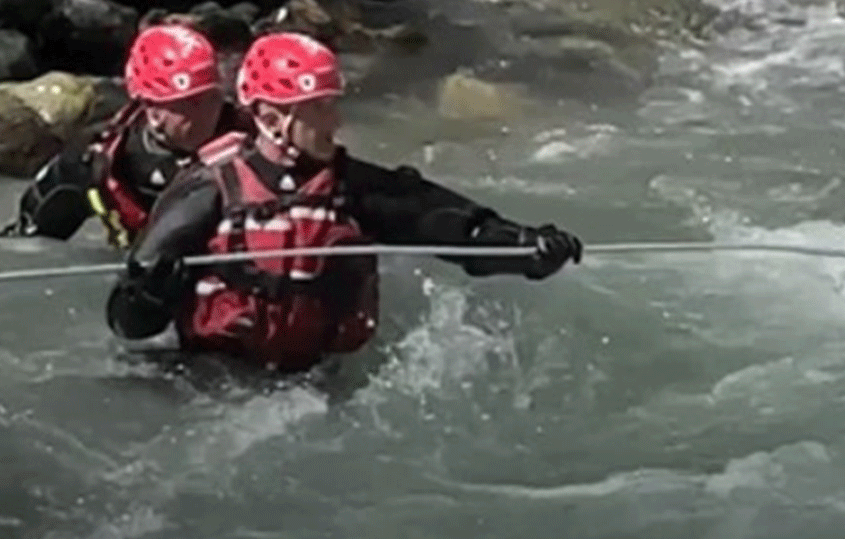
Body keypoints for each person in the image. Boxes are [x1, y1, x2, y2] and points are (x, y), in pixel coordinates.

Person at [104, 31, 584, 373]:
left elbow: (454, 229)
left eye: (332, 105)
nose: (333, 122)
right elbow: (128, 323)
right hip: (214, 382)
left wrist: (525, 248)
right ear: (272, 118)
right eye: (319, 108)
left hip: (316, 384)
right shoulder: (206, 187)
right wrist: (149, 293)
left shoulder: (351, 186)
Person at [1, 24, 252, 247]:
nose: (209, 110)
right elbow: (29, 249)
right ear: (153, 111)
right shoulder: (99, 159)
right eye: (191, 103)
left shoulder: (254, 139)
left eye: (212, 96)